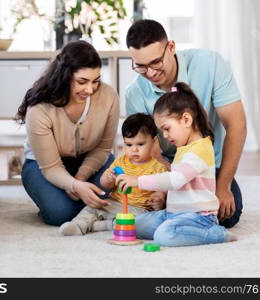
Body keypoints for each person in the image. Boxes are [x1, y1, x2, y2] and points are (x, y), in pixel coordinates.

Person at [125, 19, 246, 228]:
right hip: (164, 168)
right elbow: (149, 151)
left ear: (171, 47)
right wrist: (166, 188)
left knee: (226, 216)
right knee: (140, 207)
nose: (151, 73)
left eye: (155, 62)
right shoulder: (134, 94)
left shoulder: (210, 64)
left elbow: (237, 126)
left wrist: (223, 186)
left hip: (205, 166)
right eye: (141, 67)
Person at [117, 82, 237, 247]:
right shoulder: (183, 147)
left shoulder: (201, 148)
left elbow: (175, 180)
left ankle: (215, 234)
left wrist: (137, 181)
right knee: (134, 224)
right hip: (172, 213)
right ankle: (172, 227)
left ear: (186, 119)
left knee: (164, 236)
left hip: (198, 217)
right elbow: (177, 186)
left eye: (167, 129)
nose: (165, 136)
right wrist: (161, 194)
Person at [16, 40, 120, 226]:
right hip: (43, 166)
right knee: (60, 214)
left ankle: (81, 205)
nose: (90, 89)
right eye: (82, 81)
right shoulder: (39, 110)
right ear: (65, 76)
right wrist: (74, 186)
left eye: (95, 81)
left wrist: (80, 178)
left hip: (92, 160)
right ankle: (63, 206)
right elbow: (51, 168)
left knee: (109, 195)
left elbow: (103, 148)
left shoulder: (108, 96)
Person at [59, 113, 167, 236]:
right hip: (114, 201)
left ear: (153, 142)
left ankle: (103, 225)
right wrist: (108, 179)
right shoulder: (120, 161)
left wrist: (159, 199)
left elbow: (162, 189)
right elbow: (105, 185)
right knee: (92, 208)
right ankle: (78, 225)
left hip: (139, 208)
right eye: (129, 144)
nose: (134, 150)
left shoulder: (159, 167)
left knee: (137, 222)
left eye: (140, 144)